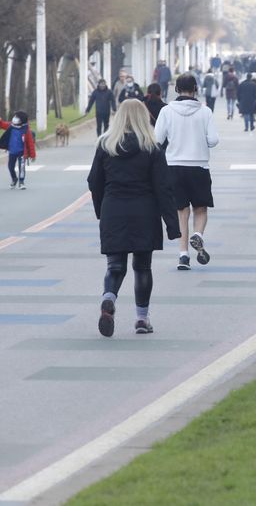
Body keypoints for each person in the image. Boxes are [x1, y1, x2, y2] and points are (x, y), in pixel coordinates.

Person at [87, 99, 181, 337]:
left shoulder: (105, 145)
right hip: (144, 211)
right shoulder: (152, 147)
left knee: (115, 265)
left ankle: (109, 297)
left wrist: (101, 210)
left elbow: (93, 181)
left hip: (113, 209)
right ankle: (141, 319)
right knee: (142, 267)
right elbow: (163, 187)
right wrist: (172, 224)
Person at [153, 74, 219, 271]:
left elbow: (157, 138)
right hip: (199, 166)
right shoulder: (205, 112)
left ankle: (183, 256)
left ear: (176, 90)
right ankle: (197, 235)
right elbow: (213, 140)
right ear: (195, 89)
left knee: (182, 211)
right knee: (201, 208)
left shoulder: (166, 111)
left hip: (174, 166)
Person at [0, 111, 36, 190]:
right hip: (12, 151)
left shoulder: (26, 130)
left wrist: (33, 155)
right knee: (10, 167)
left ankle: (21, 182)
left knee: (21, 167)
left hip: (22, 152)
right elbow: (3, 125)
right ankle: (14, 179)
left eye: (17, 117)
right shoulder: (11, 126)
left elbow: (30, 143)